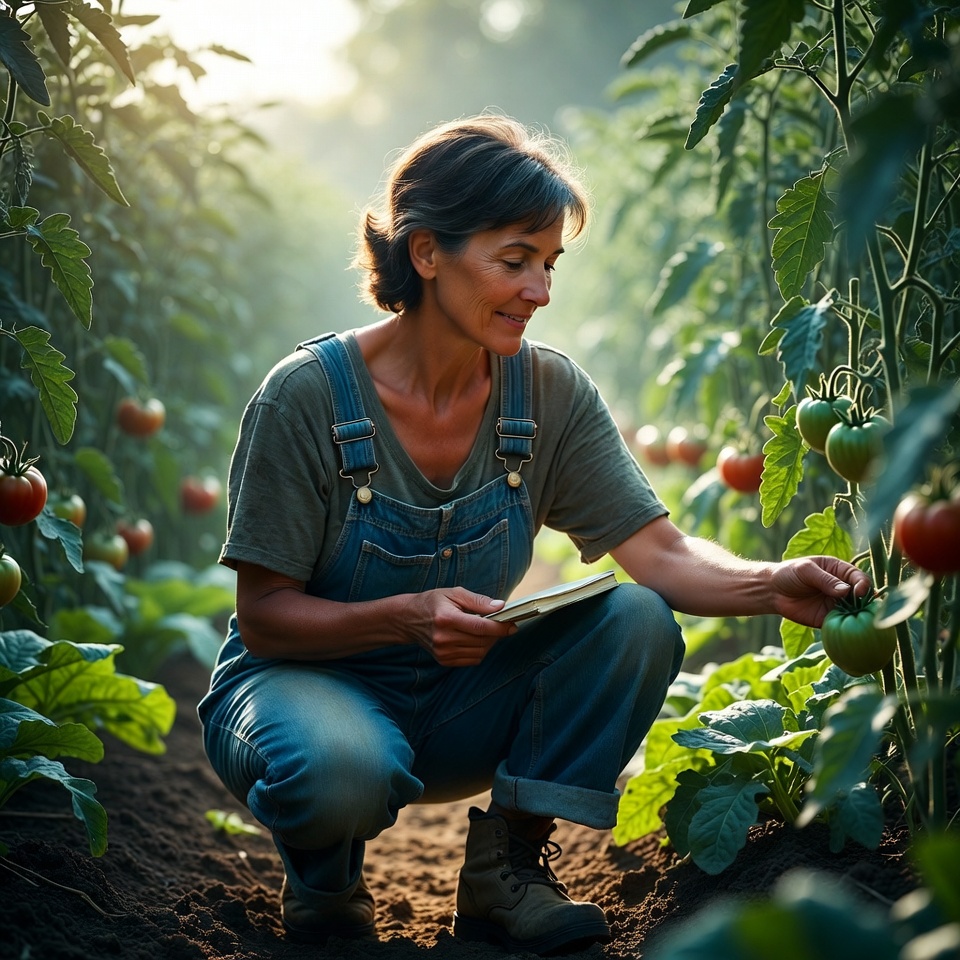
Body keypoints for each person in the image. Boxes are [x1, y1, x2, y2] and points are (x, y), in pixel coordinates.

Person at [198, 113, 870, 954]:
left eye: (548, 264)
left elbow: (659, 554)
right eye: (513, 261)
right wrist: (408, 616)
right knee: (341, 769)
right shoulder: (307, 397)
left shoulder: (546, 395)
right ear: (426, 251)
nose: (540, 290)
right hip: (298, 691)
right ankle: (325, 872)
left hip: (452, 705)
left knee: (635, 619)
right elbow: (264, 617)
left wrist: (770, 582)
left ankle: (506, 867)